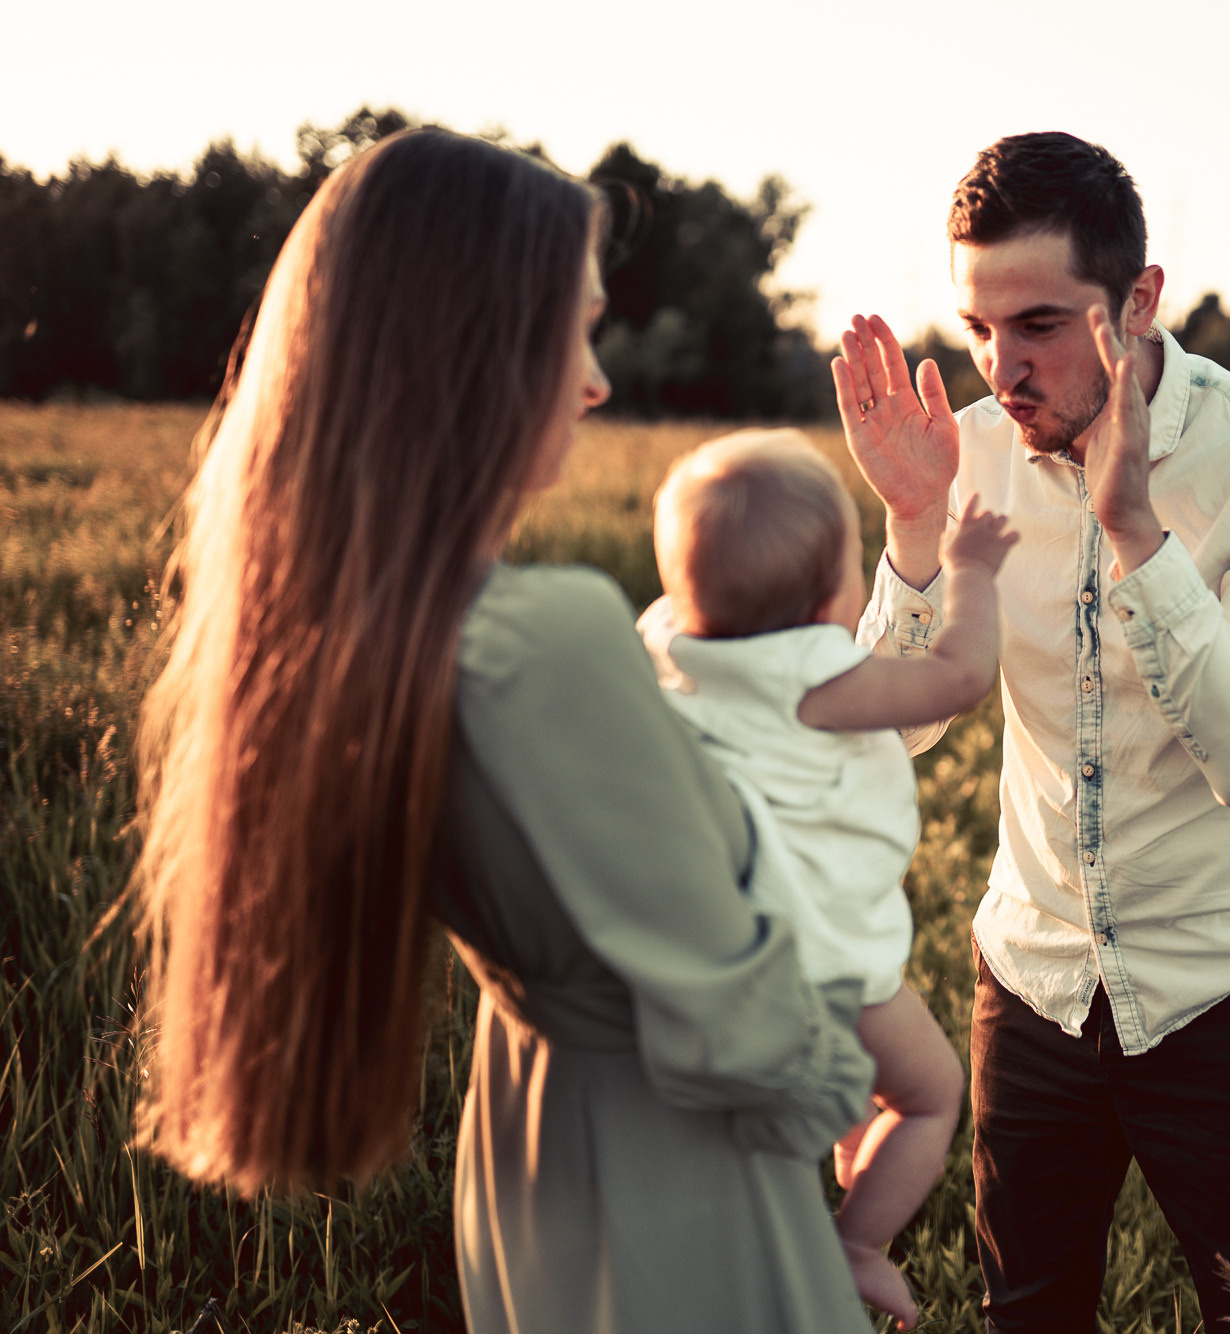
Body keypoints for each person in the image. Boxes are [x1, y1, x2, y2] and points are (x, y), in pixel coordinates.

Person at [132, 128, 877, 1333]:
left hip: (535, 1153)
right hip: (676, 1176)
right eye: (570, 330)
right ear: (462, 346)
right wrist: (859, 1097)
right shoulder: (546, 636)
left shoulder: (364, 631)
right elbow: (745, 1027)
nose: (595, 379)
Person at [830, 131, 1230, 1332]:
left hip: (1228, 985)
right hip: (1030, 978)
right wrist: (914, 529)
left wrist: (1134, 531)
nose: (999, 366)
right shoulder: (961, 456)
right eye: (976, 328)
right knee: (1025, 1311)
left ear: (1136, 302)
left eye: (1038, 325)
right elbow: (883, 740)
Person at [637, 429, 1017, 1328]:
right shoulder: (816, 678)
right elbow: (959, 674)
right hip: (824, 965)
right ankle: (852, 1243)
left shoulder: (668, 651)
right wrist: (970, 572)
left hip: (713, 961)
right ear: (824, 602)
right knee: (930, 1097)